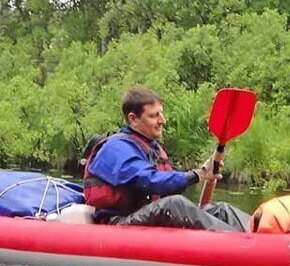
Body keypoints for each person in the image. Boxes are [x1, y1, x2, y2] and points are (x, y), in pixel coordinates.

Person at [83, 86, 249, 232]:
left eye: (161, 113)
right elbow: (147, 180)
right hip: (118, 225)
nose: (162, 120)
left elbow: (168, 186)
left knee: (220, 209)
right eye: (154, 115)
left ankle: (260, 231)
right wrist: (196, 175)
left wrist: (206, 172)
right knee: (174, 204)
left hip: (145, 217)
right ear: (133, 119)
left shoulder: (151, 148)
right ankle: (243, 246)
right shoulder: (115, 148)